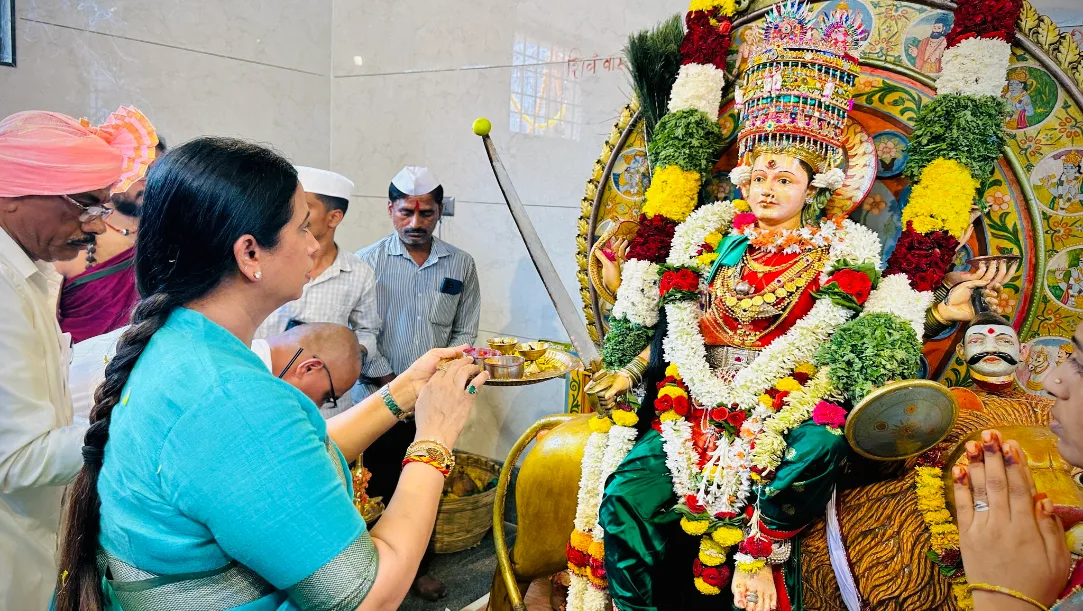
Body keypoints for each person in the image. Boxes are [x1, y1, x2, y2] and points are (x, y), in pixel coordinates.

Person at [579, 4, 1009, 609]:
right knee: (626, 495)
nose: (767, 189)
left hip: (783, 405)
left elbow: (865, 337)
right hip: (692, 407)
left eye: (785, 179)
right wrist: (628, 366)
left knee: (821, 441)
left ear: (818, 187)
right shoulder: (707, 242)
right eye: (759, 176)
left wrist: (938, 316)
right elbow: (677, 325)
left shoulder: (842, 253)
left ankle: (762, 553)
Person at [52, 137, 489, 611]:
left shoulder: (180, 343)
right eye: (302, 228)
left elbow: (287, 463)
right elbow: (367, 596)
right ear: (250, 254)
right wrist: (436, 437)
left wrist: (404, 390)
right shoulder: (230, 400)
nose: (315, 245)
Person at [0, 107, 155, 611]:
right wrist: (142, 417)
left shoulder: (31, 272)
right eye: (85, 204)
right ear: (18, 192)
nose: (94, 223)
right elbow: (16, 460)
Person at [355, 165, 481, 600]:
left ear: (438, 212)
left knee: (425, 483)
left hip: (433, 404)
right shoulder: (365, 263)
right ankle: (367, 574)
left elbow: (465, 334)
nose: (415, 223)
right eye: (405, 212)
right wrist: (396, 384)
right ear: (390, 210)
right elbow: (360, 335)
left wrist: (437, 388)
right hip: (375, 397)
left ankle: (416, 568)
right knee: (372, 485)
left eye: (426, 213)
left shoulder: (460, 264)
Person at [951, 324, 1083, 610]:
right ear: (961, 352)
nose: (991, 347)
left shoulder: (1046, 410)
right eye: (977, 340)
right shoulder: (950, 407)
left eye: (1003, 339)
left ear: (1024, 352)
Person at [256, 166, 388, 417]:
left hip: (326, 406)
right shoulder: (267, 259)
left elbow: (368, 331)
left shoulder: (358, 272)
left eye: (306, 207)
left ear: (334, 217)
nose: (293, 215)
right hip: (266, 389)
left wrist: (349, 352)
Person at [70, 321, 362, 425]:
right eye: (328, 396)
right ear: (309, 367)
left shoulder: (224, 345)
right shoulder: (229, 377)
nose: (319, 407)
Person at [53, 131, 163, 343]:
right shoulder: (71, 238)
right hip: (80, 370)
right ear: (110, 176)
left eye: (157, 173)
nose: (148, 182)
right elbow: (44, 327)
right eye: (141, 171)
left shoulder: (167, 236)